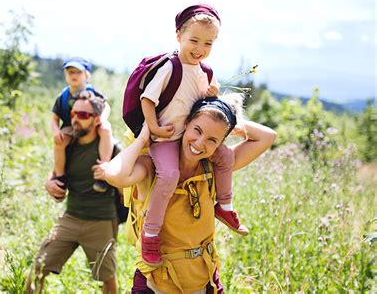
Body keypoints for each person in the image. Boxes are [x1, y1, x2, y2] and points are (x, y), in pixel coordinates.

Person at [103, 95, 277, 293]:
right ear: (185, 124)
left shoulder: (214, 167)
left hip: (204, 280)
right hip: (156, 283)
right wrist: (143, 138)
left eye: (212, 139)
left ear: (220, 143)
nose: (200, 143)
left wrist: (225, 117)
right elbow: (113, 175)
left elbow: (268, 136)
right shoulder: (152, 166)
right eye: (198, 130)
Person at [138, 3, 246, 266]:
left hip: (190, 135)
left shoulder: (205, 71)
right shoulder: (170, 67)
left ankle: (225, 205)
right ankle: (150, 233)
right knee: (169, 175)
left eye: (208, 43)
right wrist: (153, 128)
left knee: (225, 158)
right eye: (194, 40)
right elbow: (148, 99)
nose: (200, 49)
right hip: (166, 137)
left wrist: (212, 94)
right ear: (178, 36)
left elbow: (209, 104)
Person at [26, 91, 118, 294]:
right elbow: (56, 173)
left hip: (101, 221)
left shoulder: (111, 147)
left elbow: (125, 178)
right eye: (74, 113)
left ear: (96, 120)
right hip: (71, 218)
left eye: (83, 115)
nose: (76, 118)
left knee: (108, 277)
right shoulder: (68, 144)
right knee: (37, 269)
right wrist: (48, 182)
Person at [51, 56, 113, 192]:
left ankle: (103, 170)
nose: (74, 75)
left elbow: (106, 106)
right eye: (70, 72)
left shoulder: (92, 92)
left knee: (106, 130)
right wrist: (56, 131)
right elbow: (54, 117)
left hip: (91, 125)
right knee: (59, 142)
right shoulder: (63, 96)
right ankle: (60, 176)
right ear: (65, 75)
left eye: (78, 72)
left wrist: (103, 118)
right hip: (70, 127)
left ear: (86, 75)